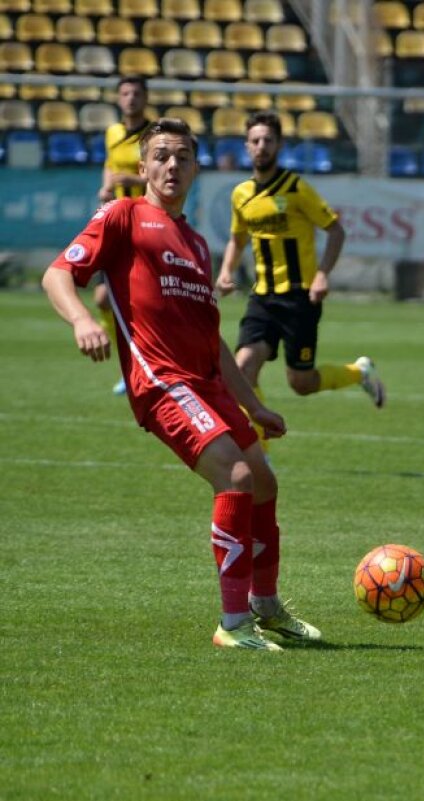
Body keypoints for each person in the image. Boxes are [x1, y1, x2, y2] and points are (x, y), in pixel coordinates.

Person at [42, 118, 321, 651]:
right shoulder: (122, 216)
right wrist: (81, 319)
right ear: (143, 167)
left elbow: (213, 340)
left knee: (263, 481)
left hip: (207, 383)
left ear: (196, 169)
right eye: (162, 156)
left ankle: (266, 607)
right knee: (236, 476)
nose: (173, 165)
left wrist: (254, 405)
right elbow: (57, 273)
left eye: (183, 157)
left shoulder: (195, 242)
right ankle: (233, 624)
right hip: (161, 382)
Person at [215, 110, 384, 449]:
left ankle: (359, 372)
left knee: (301, 383)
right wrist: (226, 271)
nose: (262, 146)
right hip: (262, 297)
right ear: (246, 146)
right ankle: (259, 452)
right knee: (242, 369)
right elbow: (238, 237)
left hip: (299, 298)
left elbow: (335, 231)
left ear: (279, 145)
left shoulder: (296, 189)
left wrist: (322, 274)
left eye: (268, 140)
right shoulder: (241, 194)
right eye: (255, 141)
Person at [96, 74, 153, 396]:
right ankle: (128, 364)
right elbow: (109, 163)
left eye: (136, 93)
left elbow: (162, 176)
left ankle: (146, 367)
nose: (131, 98)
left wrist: (131, 176)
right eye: (125, 93)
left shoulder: (153, 135)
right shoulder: (113, 132)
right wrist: (106, 185)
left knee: (143, 302)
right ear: (119, 98)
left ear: (145, 98)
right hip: (118, 222)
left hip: (145, 220)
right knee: (105, 297)